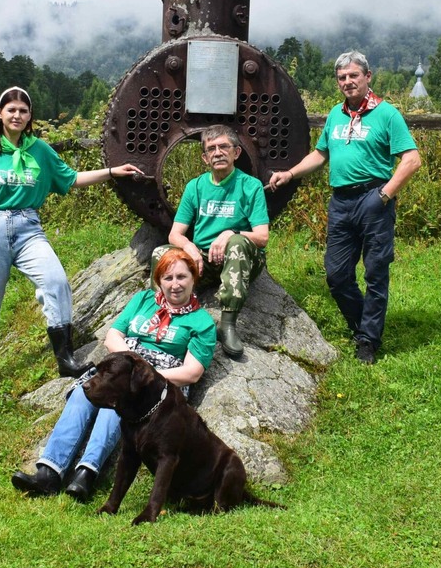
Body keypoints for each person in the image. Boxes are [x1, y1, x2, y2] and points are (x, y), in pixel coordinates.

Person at [0, 86, 143, 404]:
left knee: (56, 281)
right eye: (11, 109)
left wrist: (113, 172)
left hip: (28, 227)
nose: (17, 115)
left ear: (30, 116)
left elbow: (70, 178)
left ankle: (65, 358)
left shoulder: (39, 151)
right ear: (0, 113)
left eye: (23, 110)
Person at [11, 248, 216, 502]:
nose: (175, 285)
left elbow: (192, 372)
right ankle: (49, 472)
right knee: (82, 393)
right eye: (168, 278)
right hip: (123, 365)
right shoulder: (142, 300)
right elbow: (112, 337)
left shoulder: (201, 321)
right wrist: (131, 363)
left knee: (117, 402)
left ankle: (86, 473)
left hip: (159, 382)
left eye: (182, 277)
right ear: (159, 281)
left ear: (193, 278)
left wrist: (147, 373)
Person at [266, 51, 421, 364]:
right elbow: (320, 154)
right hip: (341, 201)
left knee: (375, 272)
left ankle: (367, 342)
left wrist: (385, 195)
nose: (348, 82)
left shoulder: (387, 115)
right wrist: (291, 173)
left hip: (374, 198)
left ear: (367, 77)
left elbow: (412, 159)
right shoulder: (336, 115)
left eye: (353, 76)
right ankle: (363, 324)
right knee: (337, 275)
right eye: (342, 78)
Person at [152, 125, 269, 358]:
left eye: (224, 147)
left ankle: (227, 325)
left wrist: (232, 233)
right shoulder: (195, 187)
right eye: (212, 149)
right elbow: (175, 234)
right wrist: (189, 247)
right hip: (203, 260)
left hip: (238, 259)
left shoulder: (250, 186)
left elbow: (262, 237)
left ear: (236, 153)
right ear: (205, 158)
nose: (218, 153)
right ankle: (164, 314)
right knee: (161, 254)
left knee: (236, 244)